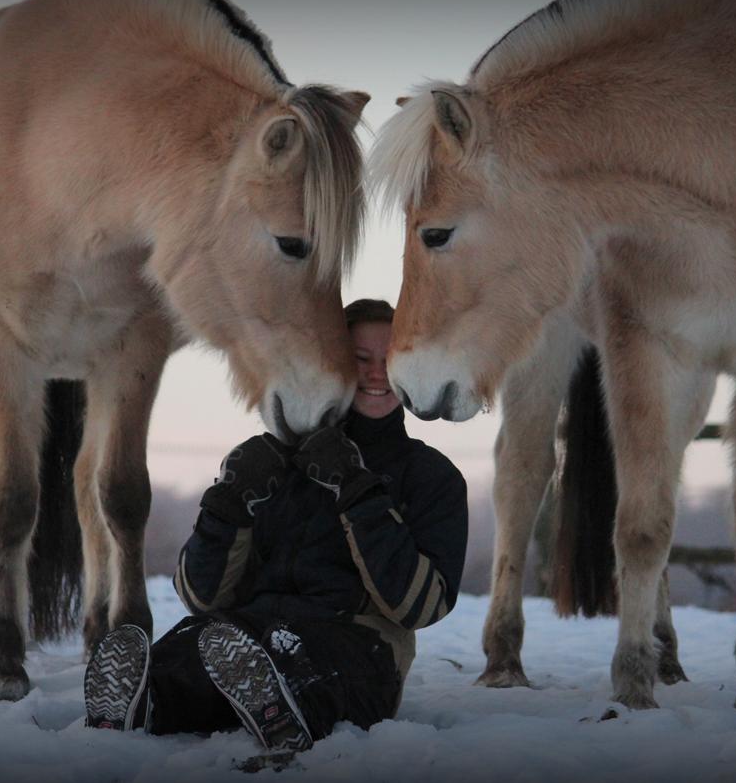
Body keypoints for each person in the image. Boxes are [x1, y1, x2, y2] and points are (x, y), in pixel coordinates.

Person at [83, 298, 468, 754]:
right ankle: (144, 702)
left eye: (388, 360)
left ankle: (284, 712)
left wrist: (356, 490)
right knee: (194, 647)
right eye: (359, 359)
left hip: (360, 648)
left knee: (294, 657)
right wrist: (227, 503)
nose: (376, 374)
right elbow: (200, 595)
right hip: (246, 635)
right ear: (332, 364)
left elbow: (420, 606)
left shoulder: (431, 476)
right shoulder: (274, 460)